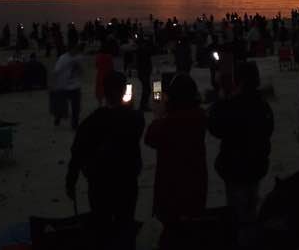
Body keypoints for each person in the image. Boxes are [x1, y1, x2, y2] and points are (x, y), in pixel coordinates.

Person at [66, 72, 145, 250]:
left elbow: (77, 153)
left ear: (104, 92)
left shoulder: (91, 122)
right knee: (125, 225)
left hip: (99, 184)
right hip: (126, 182)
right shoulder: (135, 119)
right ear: (124, 90)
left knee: (102, 227)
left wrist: (71, 181)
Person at [208, 61, 274, 247]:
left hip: (236, 167)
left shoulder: (233, 106)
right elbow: (268, 129)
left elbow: (215, 126)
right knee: (250, 206)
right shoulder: (261, 105)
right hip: (256, 165)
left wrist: (223, 99)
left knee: (239, 213)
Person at [144, 74, 208, 249]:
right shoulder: (200, 116)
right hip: (196, 184)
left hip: (171, 188)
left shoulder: (168, 122)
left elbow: (150, 138)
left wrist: (158, 115)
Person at [51, 43, 84, 130]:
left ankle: (74, 125)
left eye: (77, 50)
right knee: (61, 105)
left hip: (75, 86)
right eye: (74, 49)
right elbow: (56, 71)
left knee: (76, 107)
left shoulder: (79, 57)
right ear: (69, 50)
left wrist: (79, 68)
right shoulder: (63, 58)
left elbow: (81, 72)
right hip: (64, 86)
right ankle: (58, 117)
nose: (76, 51)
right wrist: (54, 84)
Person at [136, 38, 155, 112]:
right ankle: (143, 105)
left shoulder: (141, 50)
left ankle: (144, 105)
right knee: (146, 89)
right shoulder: (143, 51)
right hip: (144, 72)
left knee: (146, 89)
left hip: (143, 72)